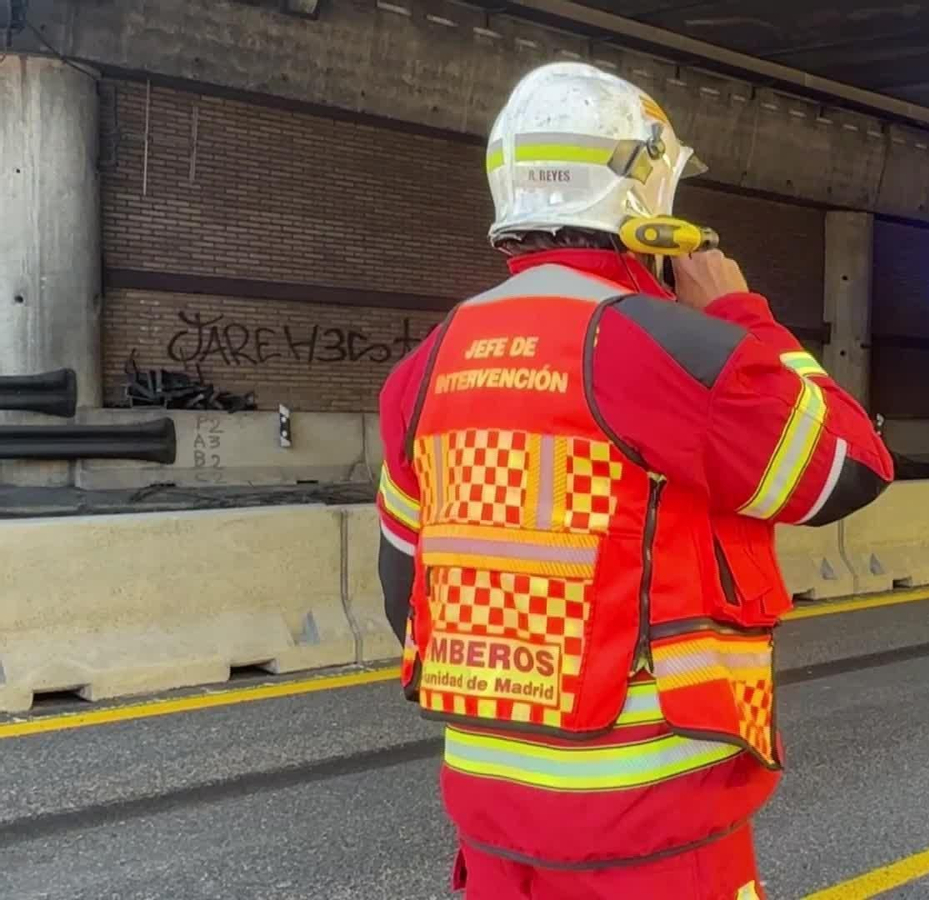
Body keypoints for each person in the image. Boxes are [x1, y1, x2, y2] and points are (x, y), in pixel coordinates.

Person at [373, 62, 894, 900]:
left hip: (491, 814)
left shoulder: (426, 367)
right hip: (652, 829)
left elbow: (406, 588)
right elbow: (847, 468)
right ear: (647, 200)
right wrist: (739, 313)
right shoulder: (655, 347)